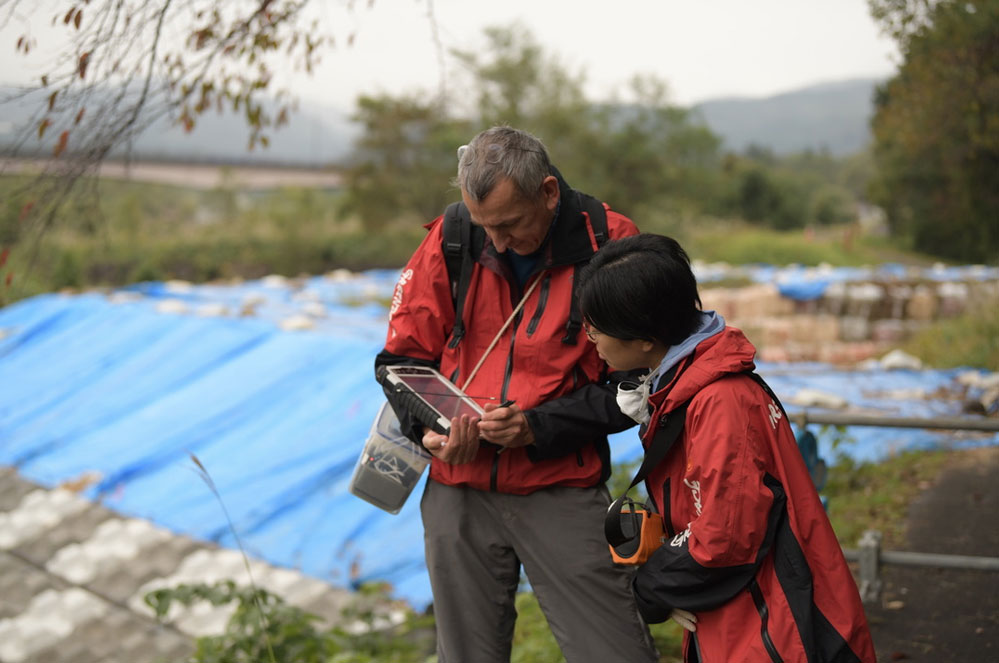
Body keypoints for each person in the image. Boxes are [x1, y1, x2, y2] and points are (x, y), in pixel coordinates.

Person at [374, 126, 659, 662]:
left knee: (614, 652)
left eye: (510, 224)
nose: (497, 242)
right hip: (457, 494)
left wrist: (536, 428)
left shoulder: (612, 245)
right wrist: (433, 433)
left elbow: (638, 384)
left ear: (548, 193)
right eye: (485, 227)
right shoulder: (453, 237)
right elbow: (399, 362)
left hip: (561, 489)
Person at [576, 233, 877, 663]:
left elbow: (724, 539)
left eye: (596, 327)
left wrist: (651, 589)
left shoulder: (719, 401)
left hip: (770, 624)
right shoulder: (687, 384)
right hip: (744, 611)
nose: (592, 339)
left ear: (644, 337)